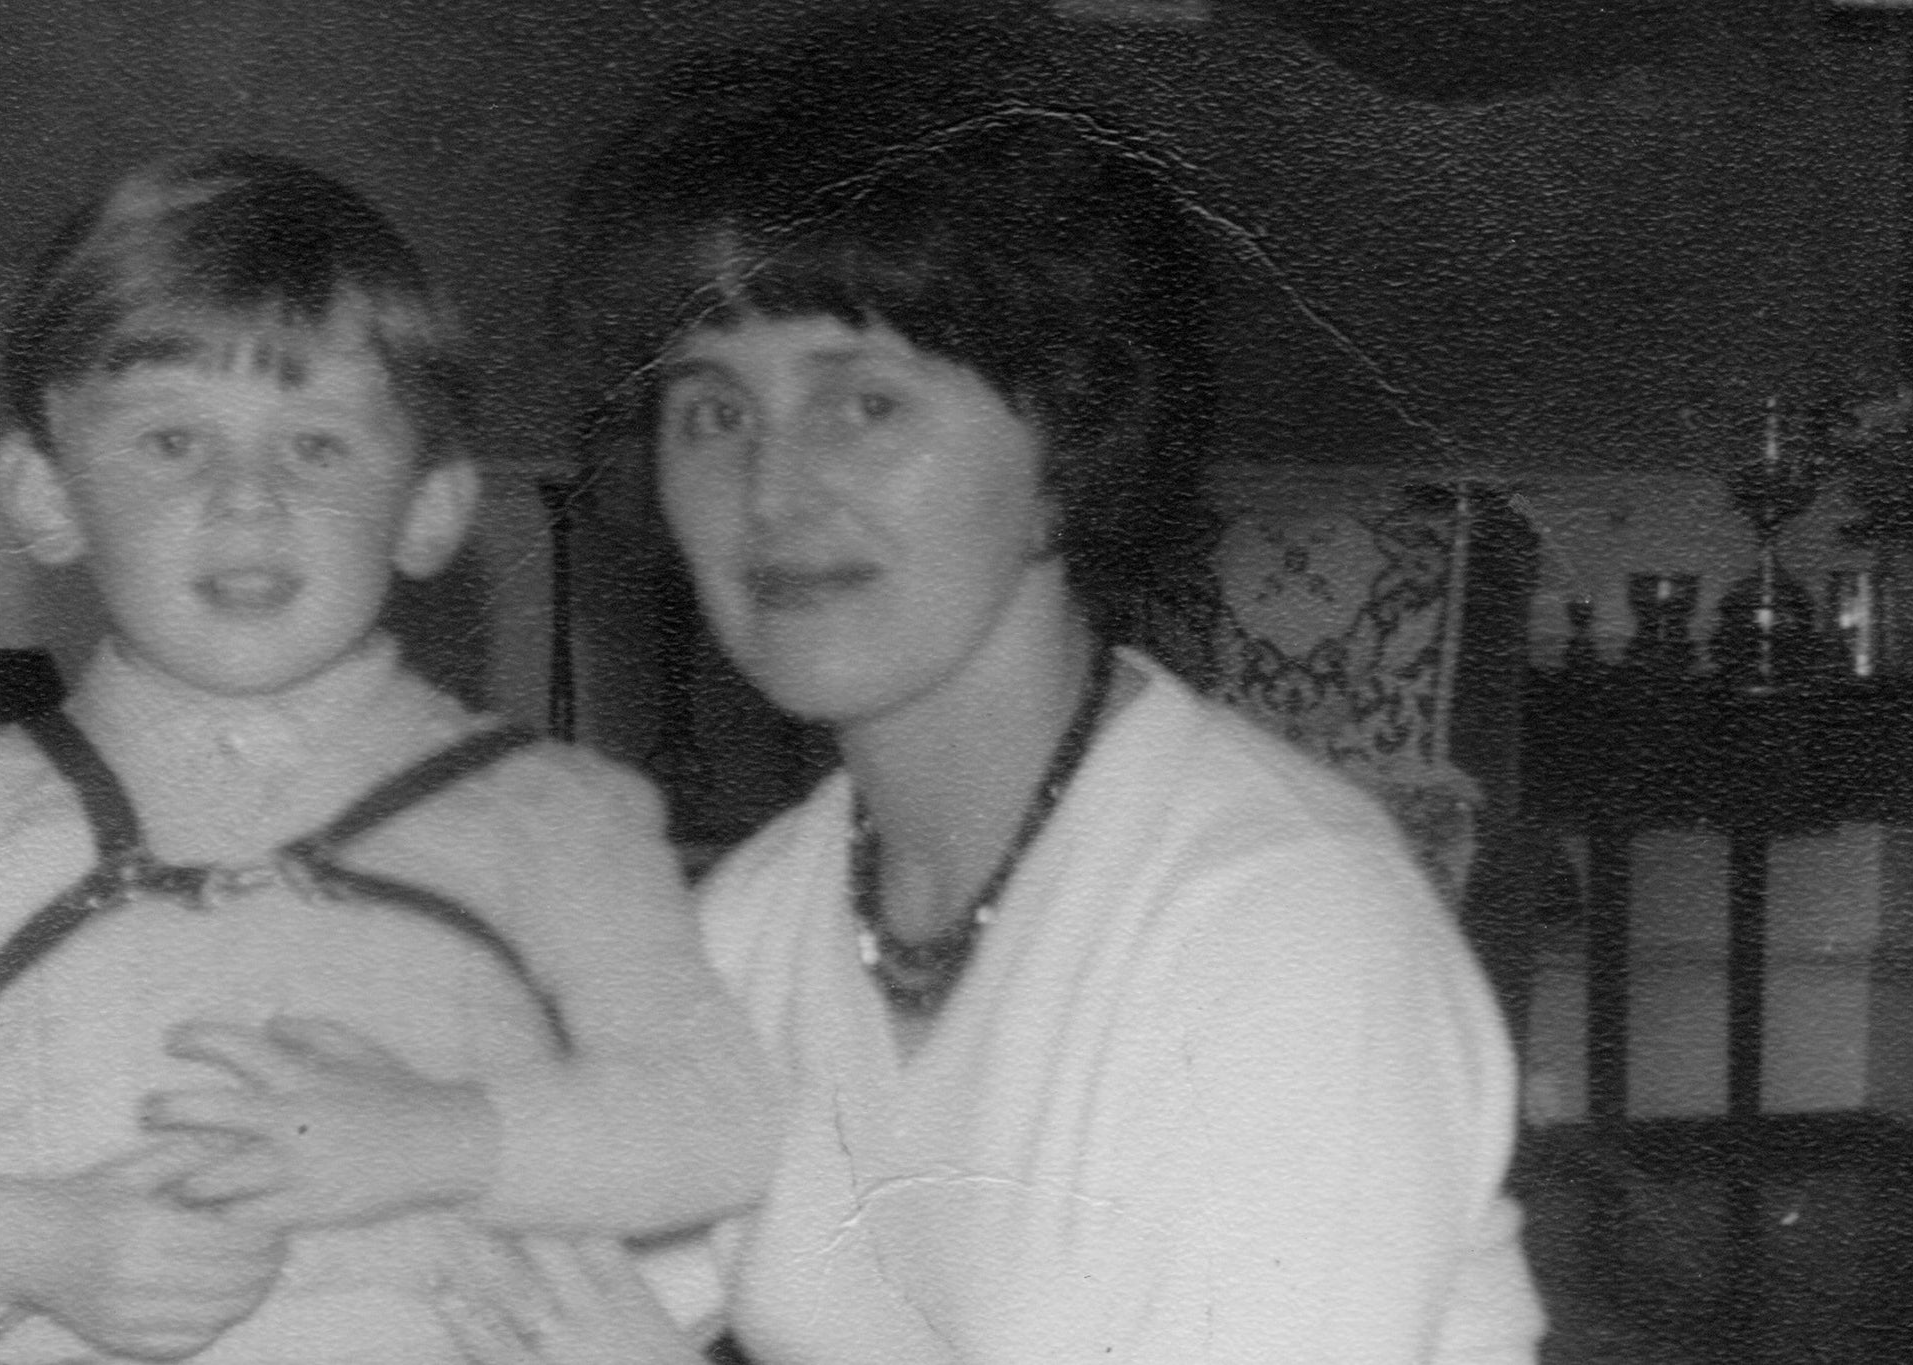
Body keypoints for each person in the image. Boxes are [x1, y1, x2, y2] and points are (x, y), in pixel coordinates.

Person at [439, 16, 1545, 1361]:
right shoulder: (763, 923)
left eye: (864, 403)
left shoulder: (1277, 921)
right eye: (713, 410)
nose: (772, 491)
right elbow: (506, 1304)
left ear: (1068, 442)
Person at [0, 150, 779, 1364]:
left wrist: (441, 1141)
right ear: (43, 493)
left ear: (428, 508)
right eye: (169, 442)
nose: (244, 498)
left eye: (315, 446)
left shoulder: (553, 814)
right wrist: (34, 1245)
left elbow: (721, 1117)